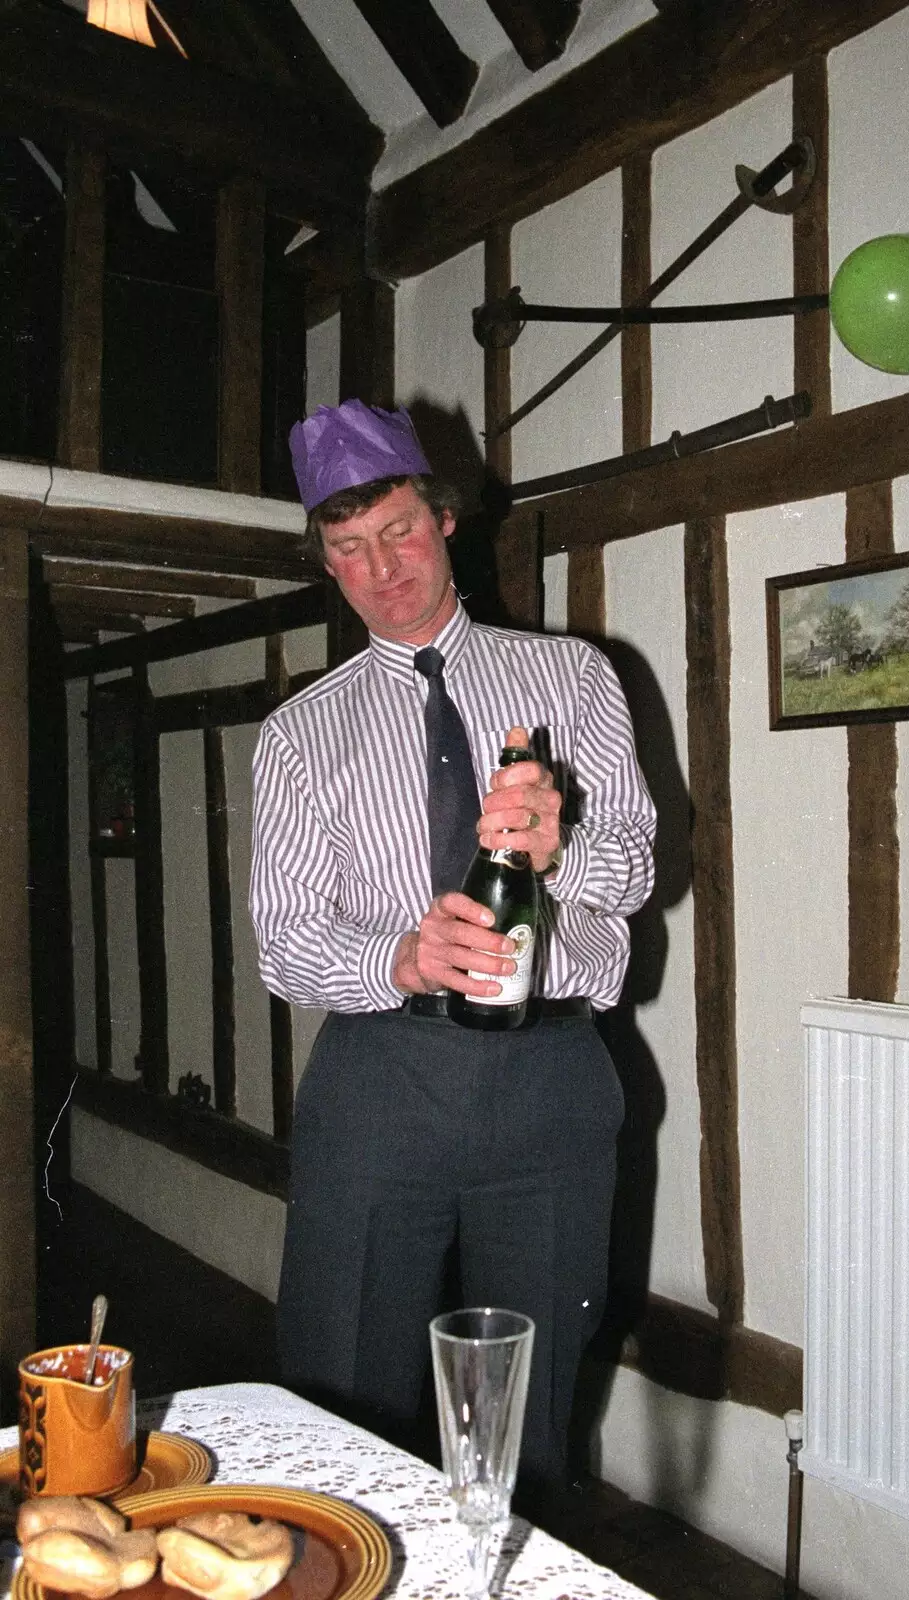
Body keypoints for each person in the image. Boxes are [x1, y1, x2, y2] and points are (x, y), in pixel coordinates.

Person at [249, 399, 655, 1485]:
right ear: (326, 565)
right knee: (341, 1394)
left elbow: (637, 868)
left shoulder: (572, 678)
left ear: (444, 518)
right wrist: (400, 958)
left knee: (534, 1409)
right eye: (346, 549)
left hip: (554, 1078)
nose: (380, 568)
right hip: (385, 1079)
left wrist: (561, 845)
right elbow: (284, 947)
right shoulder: (297, 734)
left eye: (398, 532)